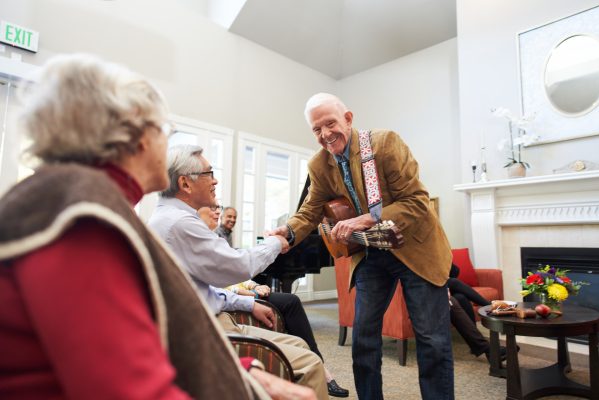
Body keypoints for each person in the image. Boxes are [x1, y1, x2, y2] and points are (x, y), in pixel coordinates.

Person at [0, 54, 316, 400]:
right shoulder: (82, 224)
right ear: (133, 135)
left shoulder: (81, 202)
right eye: (164, 130)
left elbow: (138, 338)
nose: (167, 146)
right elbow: (129, 389)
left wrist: (241, 370)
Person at [267, 93, 454, 400]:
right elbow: (311, 210)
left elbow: (417, 203)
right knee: (364, 340)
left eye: (331, 123)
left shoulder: (384, 144)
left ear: (348, 119)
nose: (326, 134)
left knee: (432, 342)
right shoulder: (319, 164)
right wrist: (286, 232)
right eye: (317, 129)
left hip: (416, 249)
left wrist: (364, 219)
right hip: (371, 253)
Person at [148, 145, 329, 400]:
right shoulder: (179, 223)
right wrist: (276, 242)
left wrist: (246, 302)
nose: (215, 179)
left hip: (216, 318)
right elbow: (237, 267)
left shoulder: (170, 218)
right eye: (209, 173)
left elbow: (200, 288)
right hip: (209, 330)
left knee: (300, 345)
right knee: (310, 363)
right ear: (185, 184)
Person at [199, 206, 349, 397]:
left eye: (230, 215)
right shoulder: (202, 238)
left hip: (237, 295)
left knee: (290, 307)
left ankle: (318, 367)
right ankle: (319, 368)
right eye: (217, 211)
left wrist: (251, 286)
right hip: (233, 299)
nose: (221, 215)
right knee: (291, 302)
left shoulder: (218, 236)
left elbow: (226, 275)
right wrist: (247, 291)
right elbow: (220, 280)